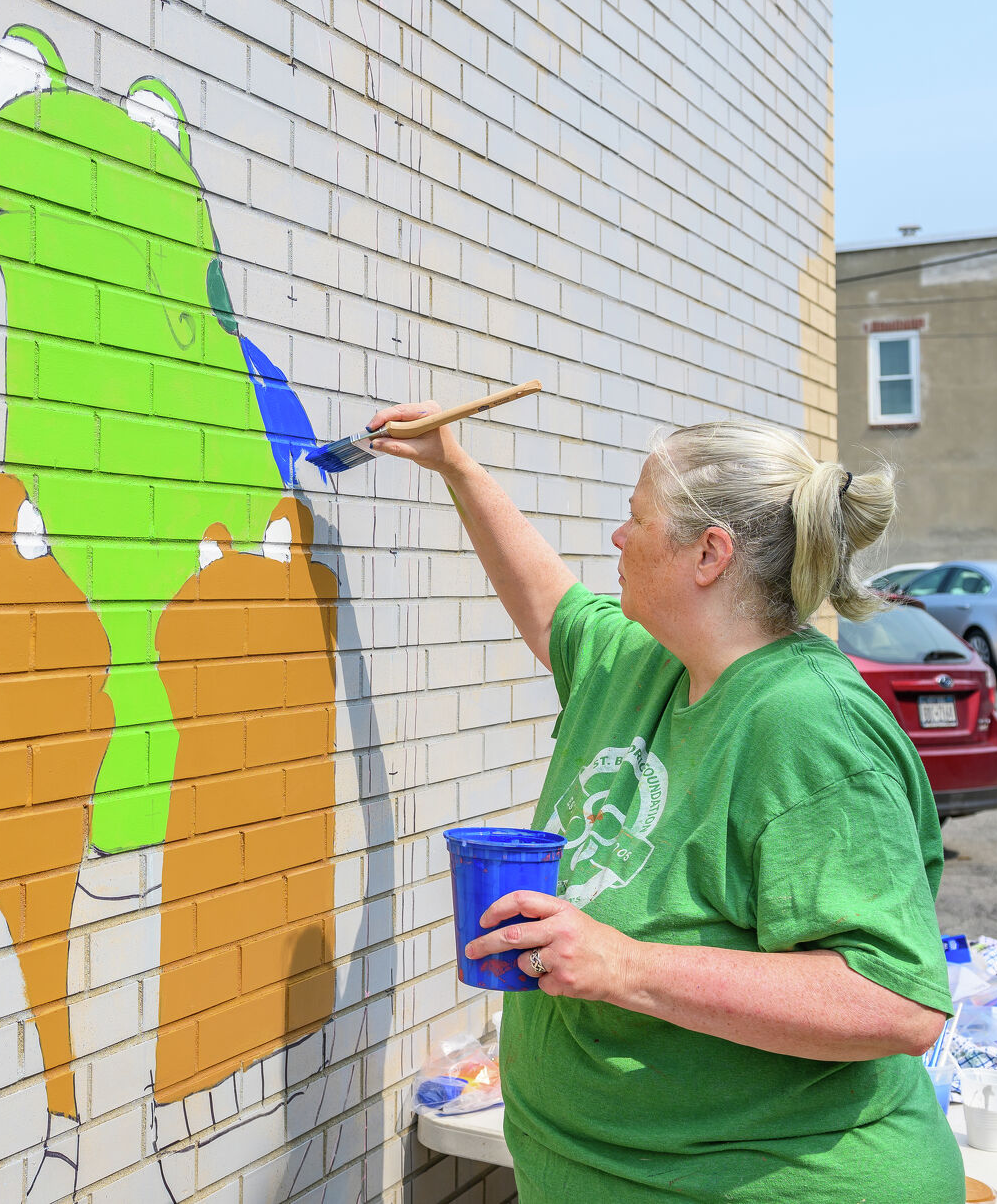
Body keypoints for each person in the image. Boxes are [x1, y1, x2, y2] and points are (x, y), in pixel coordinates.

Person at [369, 404, 961, 1203]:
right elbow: (551, 608)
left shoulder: (808, 723)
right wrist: (456, 468)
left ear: (709, 553)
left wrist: (625, 964)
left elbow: (893, 1000)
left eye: (636, 518)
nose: (618, 538)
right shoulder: (648, 662)